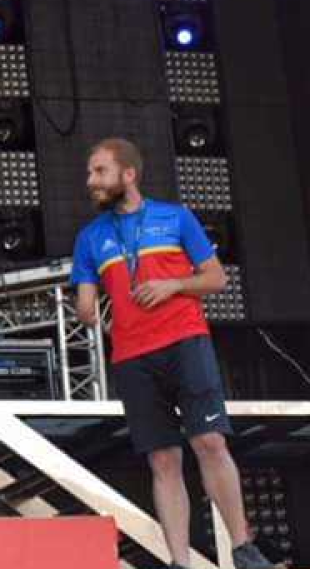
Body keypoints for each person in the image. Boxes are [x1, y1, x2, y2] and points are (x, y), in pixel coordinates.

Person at [72, 138, 275, 569]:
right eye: (90, 172)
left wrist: (173, 285)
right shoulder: (90, 237)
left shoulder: (176, 218)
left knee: (209, 440)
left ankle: (243, 548)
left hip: (185, 341)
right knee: (163, 458)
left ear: (128, 175)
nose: (91, 181)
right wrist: (87, 309)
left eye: (99, 172)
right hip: (132, 356)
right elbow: (86, 302)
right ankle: (178, 562)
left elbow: (216, 279)